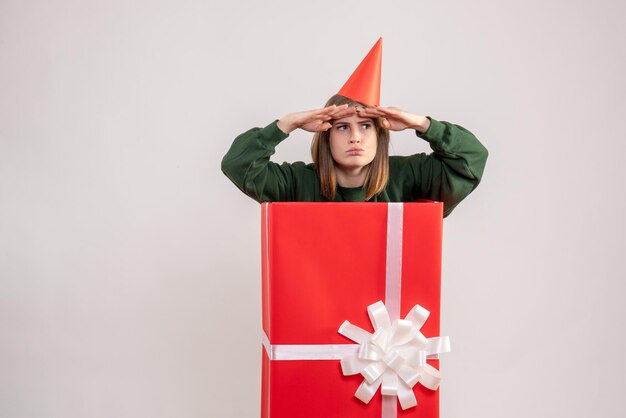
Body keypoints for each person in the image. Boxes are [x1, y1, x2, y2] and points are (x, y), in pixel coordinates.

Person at [221, 94, 488, 217]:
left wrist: (421, 123)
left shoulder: (407, 176)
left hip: (388, 322)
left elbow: (471, 159)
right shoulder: (297, 182)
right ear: (326, 135)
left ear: (379, 133)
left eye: (365, 126)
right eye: (342, 127)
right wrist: (287, 123)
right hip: (314, 317)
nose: (355, 137)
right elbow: (238, 164)